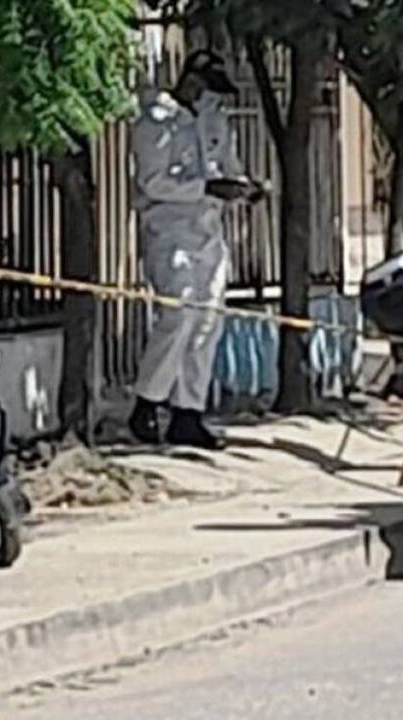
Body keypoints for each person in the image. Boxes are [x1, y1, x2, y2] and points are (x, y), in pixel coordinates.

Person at [129, 50, 264, 449]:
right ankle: (148, 403)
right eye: (206, 88)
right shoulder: (156, 122)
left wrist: (245, 188)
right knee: (178, 316)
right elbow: (152, 182)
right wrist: (206, 188)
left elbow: (227, 166)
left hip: (209, 231)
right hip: (169, 232)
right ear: (190, 80)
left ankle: (189, 413)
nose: (210, 98)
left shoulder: (213, 119)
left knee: (208, 321)